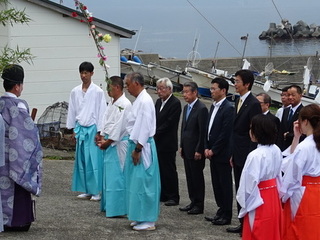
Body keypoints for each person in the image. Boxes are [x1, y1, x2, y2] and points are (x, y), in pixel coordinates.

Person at [0, 64, 43, 231]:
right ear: (18, 86)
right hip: (17, 156)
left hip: (1, 157)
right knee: (18, 185)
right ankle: (18, 221)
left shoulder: (1, 104)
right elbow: (29, 136)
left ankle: (4, 220)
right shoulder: (19, 106)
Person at [227, 69, 262, 234]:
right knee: (240, 188)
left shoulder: (254, 104)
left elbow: (254, 132)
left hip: (247, 152)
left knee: (247, 189)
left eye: (237, 81)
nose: (235, 84)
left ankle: (248, 223)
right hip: (237, 151)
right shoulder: (238, 100)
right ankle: (242, 222)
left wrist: (250, 155)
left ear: (247, 84)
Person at [124, 72, 160, 231]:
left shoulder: (145, 101)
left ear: (136, 84)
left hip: (143, 145)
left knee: (146, 183)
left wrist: (138, 149)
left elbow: (145, 127)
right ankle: (139, 215)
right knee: (137, 183)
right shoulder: (139, 100)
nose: (127, 88)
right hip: (136, 142)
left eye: (128, 84)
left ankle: (148, 219)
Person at [237, 114, 282, 240]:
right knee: (271, 230)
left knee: (257, 229)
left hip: (258, 197)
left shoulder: (255, 155)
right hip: (273, 195)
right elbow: (279, 174)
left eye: (252, 128)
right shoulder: (276, 149)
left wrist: (244, 203)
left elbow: (248, 183)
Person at [66, 61, 107, 201]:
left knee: (93, 160)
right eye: (82, 73)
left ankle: (96, 190)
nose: (84, 76)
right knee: (82, 160)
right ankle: (85, 189)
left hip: (92, 128)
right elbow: (72, 110)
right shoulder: (75, 91)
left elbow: (102, 111)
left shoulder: (98, 92)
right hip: (80, 127)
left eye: (86, 73)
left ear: (92, 74)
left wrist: (100, 131)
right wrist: (72, 129)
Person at [280, 104, 320, 240]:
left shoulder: (305, 147)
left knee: (298, 229)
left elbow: (292, 174)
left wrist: (283, 194)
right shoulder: (312, 143)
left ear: (305, 121)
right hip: (316, 189)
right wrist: (296, 137)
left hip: (303, 191)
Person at [97, 76, 131, 217]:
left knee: (118, 175)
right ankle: (109, 205)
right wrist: (102, 134)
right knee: (108, 175)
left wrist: (108, 141)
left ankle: (119, 208)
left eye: (109, 88)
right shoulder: (112, 102)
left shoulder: (125, 104)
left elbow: (120, 126)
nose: (107, 91)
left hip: (118, 143)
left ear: (117, 87)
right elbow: (105, 118)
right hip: (109, 140)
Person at [204, 78, 234, 225]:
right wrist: (206, 147)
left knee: (225, 184)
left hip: (222, 153)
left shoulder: (228, 108)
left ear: (223, 91)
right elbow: (208, 129)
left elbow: (225, 133)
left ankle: (227, 213)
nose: (211, 91)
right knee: (216, 183)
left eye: (214, 89)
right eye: (211, 89)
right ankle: (220, 209)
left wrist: (214, 150)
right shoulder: (213, 106)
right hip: (211, 151)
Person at [179, 81, 208, 215]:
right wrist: (181, 145)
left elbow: (202, 132)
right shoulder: (186, 108)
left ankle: (199, 204)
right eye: (183, 92)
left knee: (197, 177)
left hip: (196, 149)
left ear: (195, 92)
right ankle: (192, 201)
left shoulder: (201, 108)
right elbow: (184, 129)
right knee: (189, 177)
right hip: (187, 148)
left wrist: (199, 149)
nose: (184, 95)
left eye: (187, 92)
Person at [154, 77, 181, 206]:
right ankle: (163, 193)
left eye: (162, 88)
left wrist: (156, 132)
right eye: (158, 88)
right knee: (160, 169)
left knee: (169, 170)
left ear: (169, 89)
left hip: (168, 142)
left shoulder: (175, 103)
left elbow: (170, 123)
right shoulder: (158, 102)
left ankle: (173, 196)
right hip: (158, 141)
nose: (159, 91)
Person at [278, 85, 303, 151]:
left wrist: (288, 135)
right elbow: (281, 130)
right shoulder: (286, 110)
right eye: (288, 95)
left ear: (300, 96)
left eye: (293, 95)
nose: (290, 97)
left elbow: (304, 133)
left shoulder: (303, 112)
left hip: (295, 148)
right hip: (282, 148)